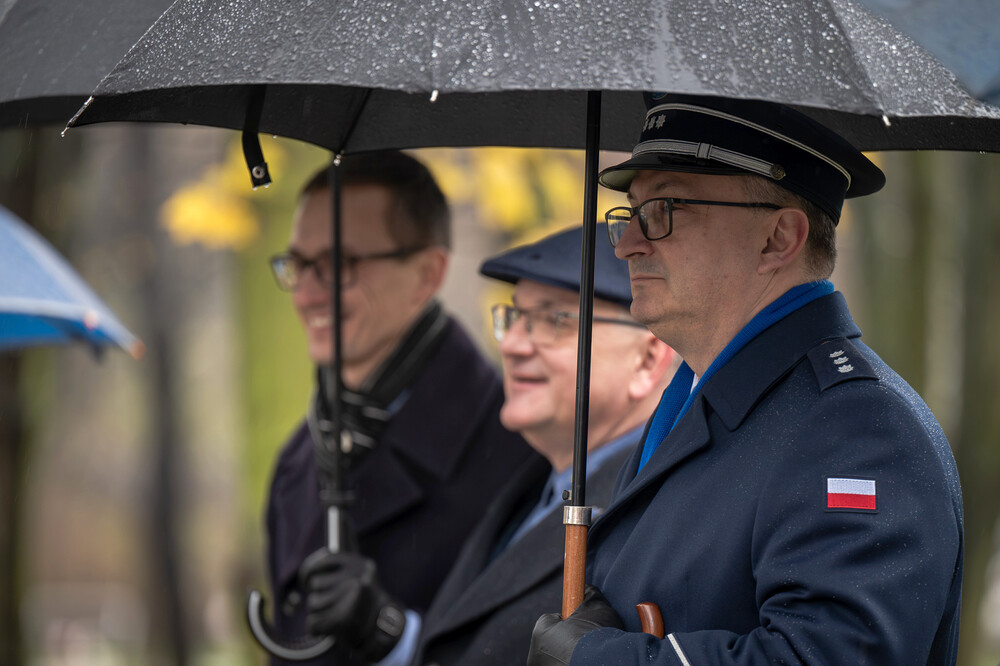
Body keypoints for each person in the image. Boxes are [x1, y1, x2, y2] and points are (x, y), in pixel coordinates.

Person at [526, 93, 964, 665]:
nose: (629, 243)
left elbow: (823, 657)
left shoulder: (859, 429)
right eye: (629, 213)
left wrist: (598, 659)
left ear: (778, 239)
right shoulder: (702, 394)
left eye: (663, 211)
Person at [263, 151, 539, 665]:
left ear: (427, 274)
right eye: (298, 264)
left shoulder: (521, 451)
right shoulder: (298, 463)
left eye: (336, 266)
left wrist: (390, 633)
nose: (306, 293)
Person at [406, 224, 677, 665]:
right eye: (514, 316)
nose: (511, 344)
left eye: (554, 320)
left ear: (647, 359)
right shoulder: (532, 484)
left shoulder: (652, 514)